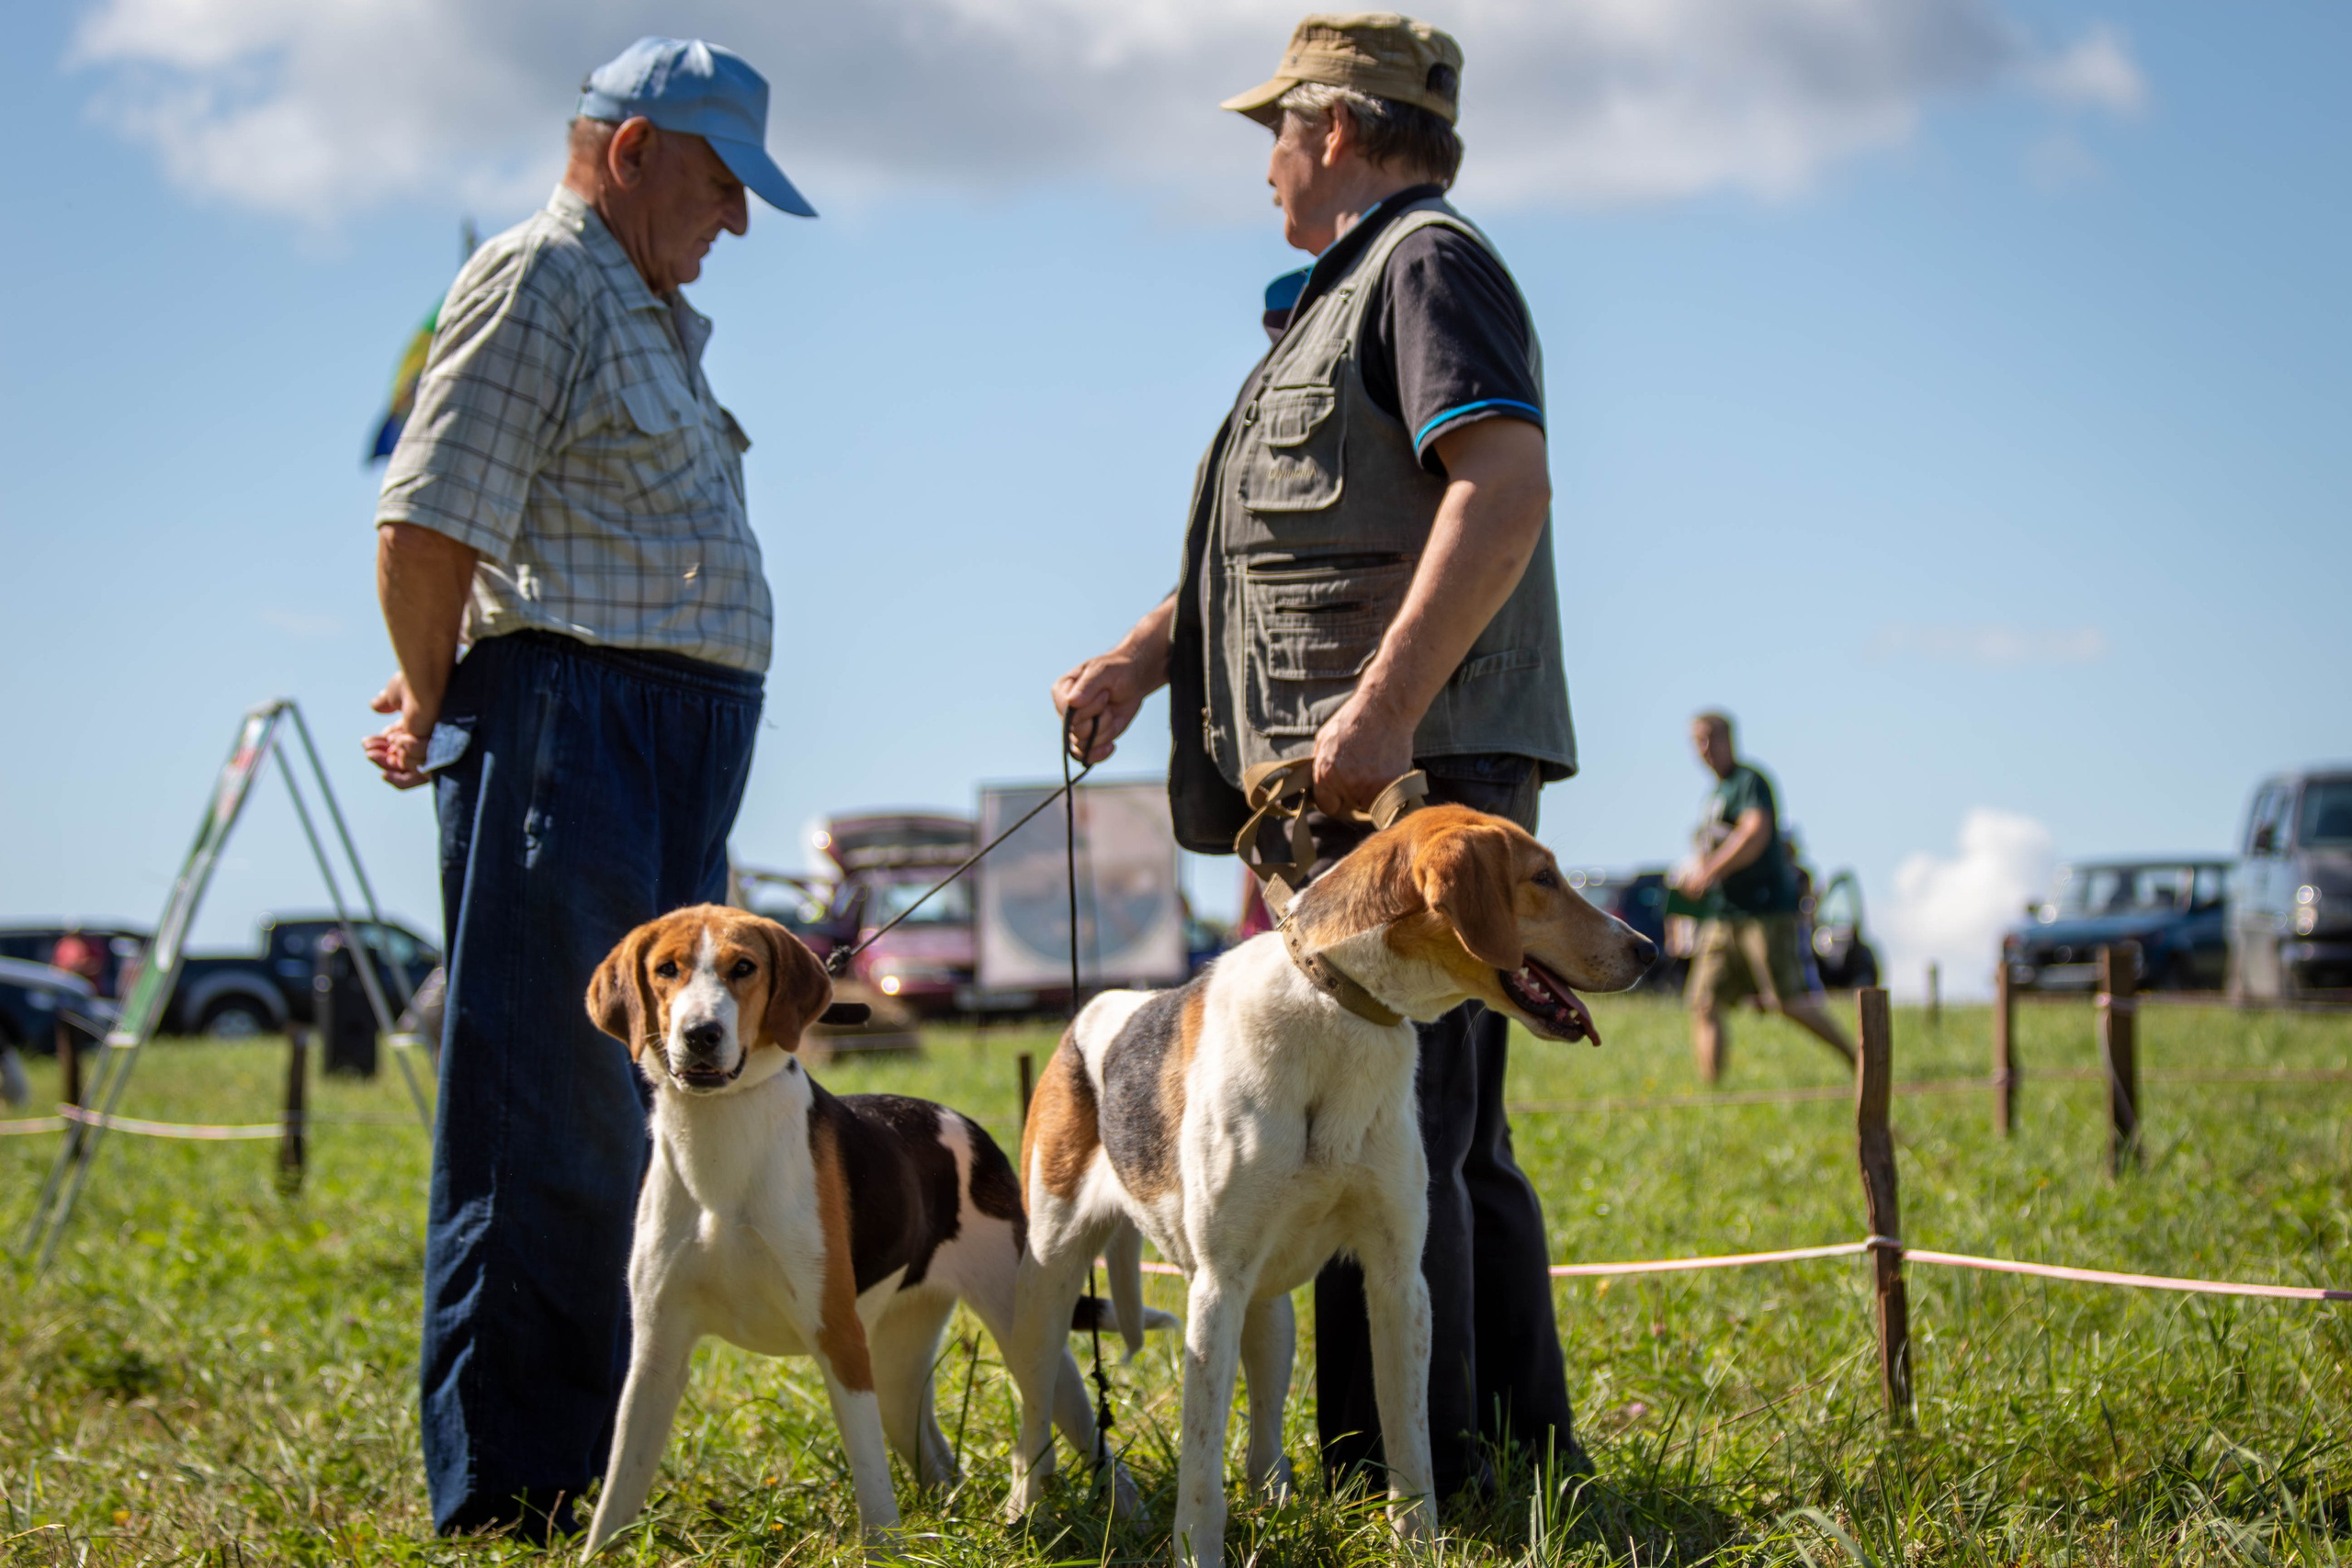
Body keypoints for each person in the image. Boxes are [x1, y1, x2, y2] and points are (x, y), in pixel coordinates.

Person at [1053, 13, 1584, 1499]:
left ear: (1333, 129)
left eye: (1275, 132)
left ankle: (1418, 1478)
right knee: (1396, 1117)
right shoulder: (1346, 294)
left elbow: (1503, 483)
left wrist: (1388, 707)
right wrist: (1139, 657)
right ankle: (1497, 1459)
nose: (1268, 162)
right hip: (1350, 793)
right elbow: (1261, 555)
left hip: (1414, 784)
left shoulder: (1426, 264)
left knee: (1406, 1129)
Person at [360, 37, 814, 1540]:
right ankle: (514, 1495)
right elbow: (427, 519)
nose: (737, 219)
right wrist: (432, 694)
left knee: (635, 1101)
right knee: (546, 1100)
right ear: (633, 153)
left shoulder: (644, 306)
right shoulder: (543, 276)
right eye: (721, 179)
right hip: (574, 722)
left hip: (656, 722)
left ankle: (583, 1470)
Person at [1676, 712, 1855, 1080]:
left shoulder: (1750, 782)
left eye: (1710, 739)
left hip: (1766, 912)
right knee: (1704, 1003)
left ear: (1729, 740)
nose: (1704, 750)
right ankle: (1713, 1096)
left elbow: (1753, 834)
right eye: (1697, 742)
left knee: (1788, 1002)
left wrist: (1708, 873)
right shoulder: (1713, 796)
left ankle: (1861, 1059)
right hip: (1723, 914)